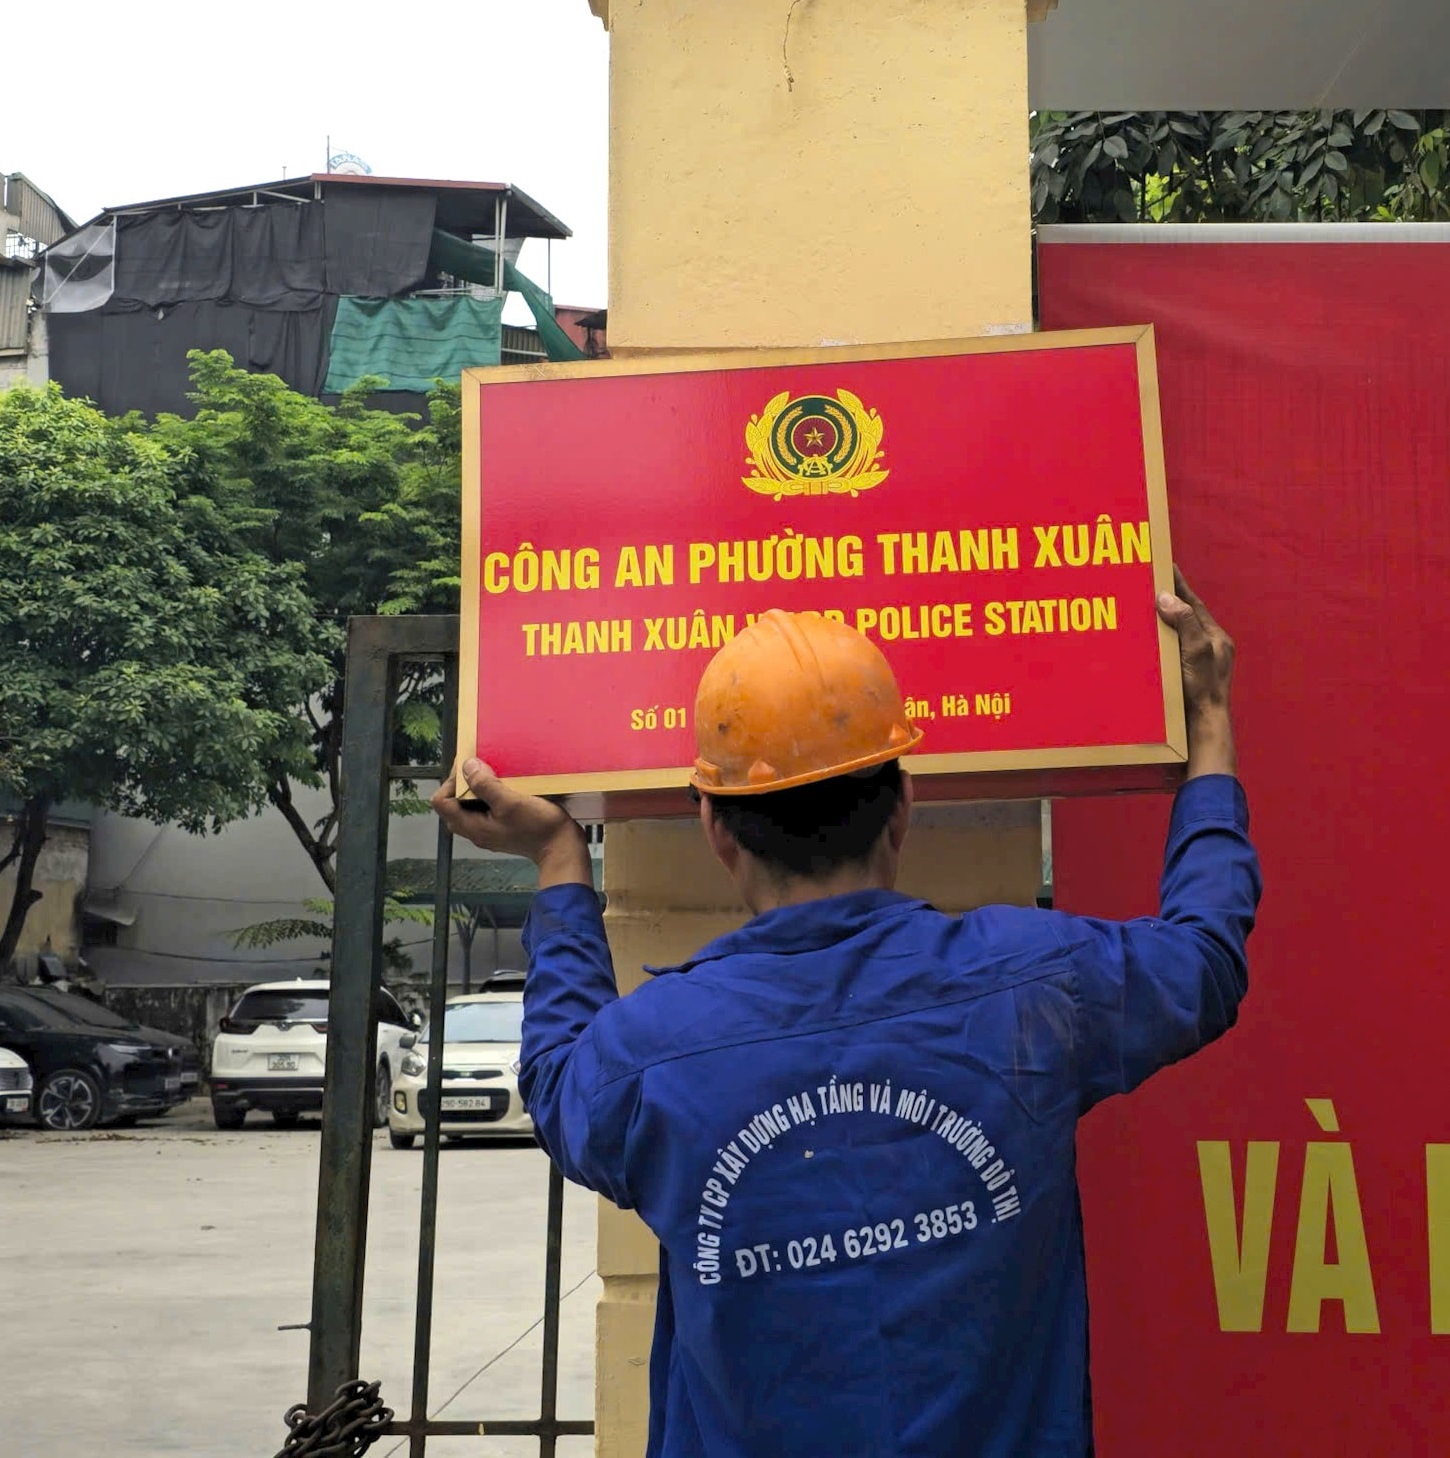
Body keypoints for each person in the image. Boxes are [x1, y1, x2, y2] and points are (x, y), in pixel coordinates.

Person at [431, 579, 1258, 1457]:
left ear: (715, 827)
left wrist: (560, 858)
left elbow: (557, 1080)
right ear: (903, 803)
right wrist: (1208, 722)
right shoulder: (1034, 987)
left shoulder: (648, 1055)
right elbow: (1204, 959)